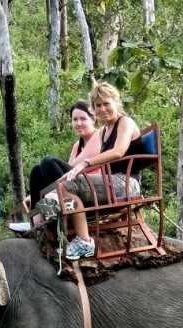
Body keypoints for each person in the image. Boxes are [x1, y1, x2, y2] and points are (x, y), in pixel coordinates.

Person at [59, 82, 147, 260]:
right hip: (111, 180)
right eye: (98, 105)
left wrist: (84, 164)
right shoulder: (105, 130)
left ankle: (84, 240)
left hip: (127, 183)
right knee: (63, 184)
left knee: (68, 187)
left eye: (106, 103)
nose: (102, 109)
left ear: (116, 102)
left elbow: (118, 151)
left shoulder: (125, 122)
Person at [9, 100, 102, 232]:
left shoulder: (98, 136)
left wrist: (47, 189)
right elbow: (68, 171)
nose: (78, 123)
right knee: (36, 170)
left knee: (48, 162)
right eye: (75, 119)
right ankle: (35, 221)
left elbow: (74, 167)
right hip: (77, 182)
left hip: (91, 186)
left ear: (93, 119)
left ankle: (58, 203)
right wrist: (38, 192)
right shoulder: (77, 145)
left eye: (83, 119)